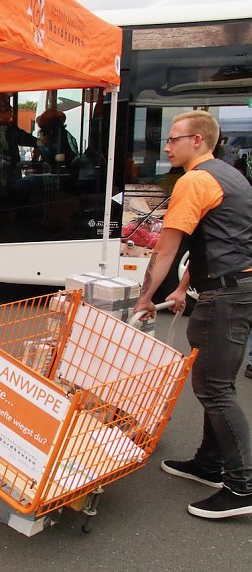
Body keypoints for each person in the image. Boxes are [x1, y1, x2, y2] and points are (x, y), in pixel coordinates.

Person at [133, 110, 252, 519]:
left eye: (173, 139)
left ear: (197, 141)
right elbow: (215, 237)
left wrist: (144, 299)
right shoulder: (229, 174)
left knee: (215, 388)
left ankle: (243, 486)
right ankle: (208, 464)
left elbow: (166, 248)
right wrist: (185, 287)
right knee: (214, 382)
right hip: (235, 287)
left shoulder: (195, 180)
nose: (167, 147)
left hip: (227, 295)